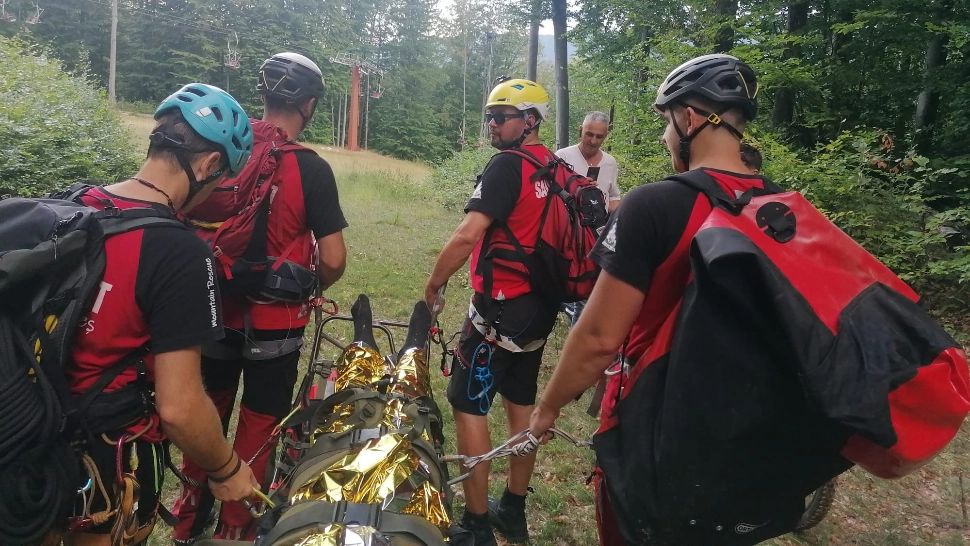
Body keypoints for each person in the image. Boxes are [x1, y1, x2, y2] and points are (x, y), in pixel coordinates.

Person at [528, 54, 765, 544]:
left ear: (690, 119)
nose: (663, 137)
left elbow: (598, 337)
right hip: (740, 430)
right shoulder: (778, 207)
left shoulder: (655, 204)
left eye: (665, 122)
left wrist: (547, 407)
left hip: (654, 424)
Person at [65, 83, 257, 545]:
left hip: (23, 429)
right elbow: (179, 407)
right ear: (209, 165)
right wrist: (227, 468)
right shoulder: (179, 251)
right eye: (220, 180)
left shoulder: (76, 205)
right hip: (93, 460)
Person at [172, 52, 348, 543]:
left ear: (264, 93)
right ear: (309, 104)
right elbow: (334, 258)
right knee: (262, 418)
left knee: (208, 407)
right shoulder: (311, 168)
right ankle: (237, 526)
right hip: (278, 318)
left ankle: (188, 514)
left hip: (214, 307)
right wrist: (311, 286)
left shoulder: (222, 149)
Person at [424, 78, 560, 546]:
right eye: (490, 116)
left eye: (501, 117)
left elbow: (468, 234)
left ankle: (478, 522)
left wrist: (434, 283)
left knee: (468, 404)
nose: (492, 125)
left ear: (531, 120)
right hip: (538, 311)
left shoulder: (508, 166)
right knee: (520, 407)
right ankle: (514, 511)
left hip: (498, 313)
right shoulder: (553, 167)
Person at [555, 111, 621, 212]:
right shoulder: (563, 157)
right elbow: (551, 194)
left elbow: (614, 198)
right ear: (580, 131)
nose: (593, 141)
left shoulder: (610, 162)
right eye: (589, 134)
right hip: (569, 219)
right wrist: (576, 188)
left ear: (606, 136)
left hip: (601, 220)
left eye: (599, 137)